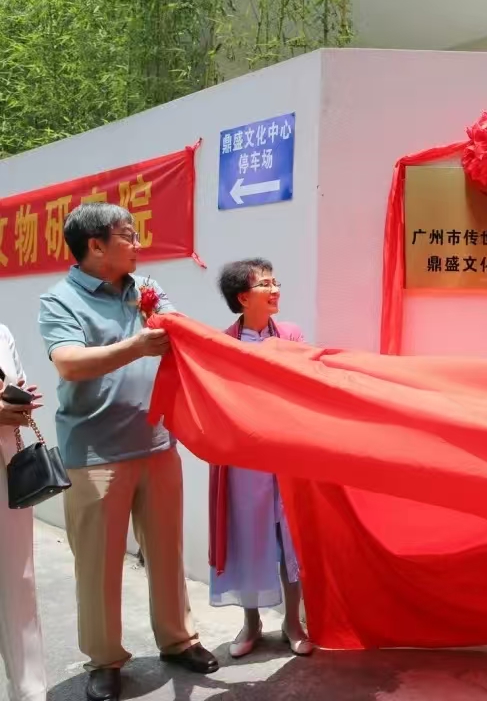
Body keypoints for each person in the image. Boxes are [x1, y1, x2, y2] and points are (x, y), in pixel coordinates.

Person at [38, 203, 218, 701]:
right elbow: (69, 363)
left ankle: (178, 639)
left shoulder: (146, 289)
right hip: (96, 453)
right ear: (96, 246)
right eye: (128, 235)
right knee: (99, 563)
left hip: (156, 442)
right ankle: (105, 659)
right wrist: (137, 347)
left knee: (166, 549)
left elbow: (179, 330)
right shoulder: (60, 300)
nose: (138, 243)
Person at [209, 258, 314, 658]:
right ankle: (251, 623)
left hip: (286, 453)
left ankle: (293, 623)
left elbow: (304, 384)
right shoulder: (223, 343)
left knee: (290, 540)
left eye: (275, 282)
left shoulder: (291, 335)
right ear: (242, 297)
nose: (275, 290)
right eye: (265, 284)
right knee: (248, 537)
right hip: (243, 459)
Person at [0, 325, 48, 701]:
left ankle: (30, 692)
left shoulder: (1, 333)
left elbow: (15, 382)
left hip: (7, 467)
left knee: (19, 580)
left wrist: (20, 401)